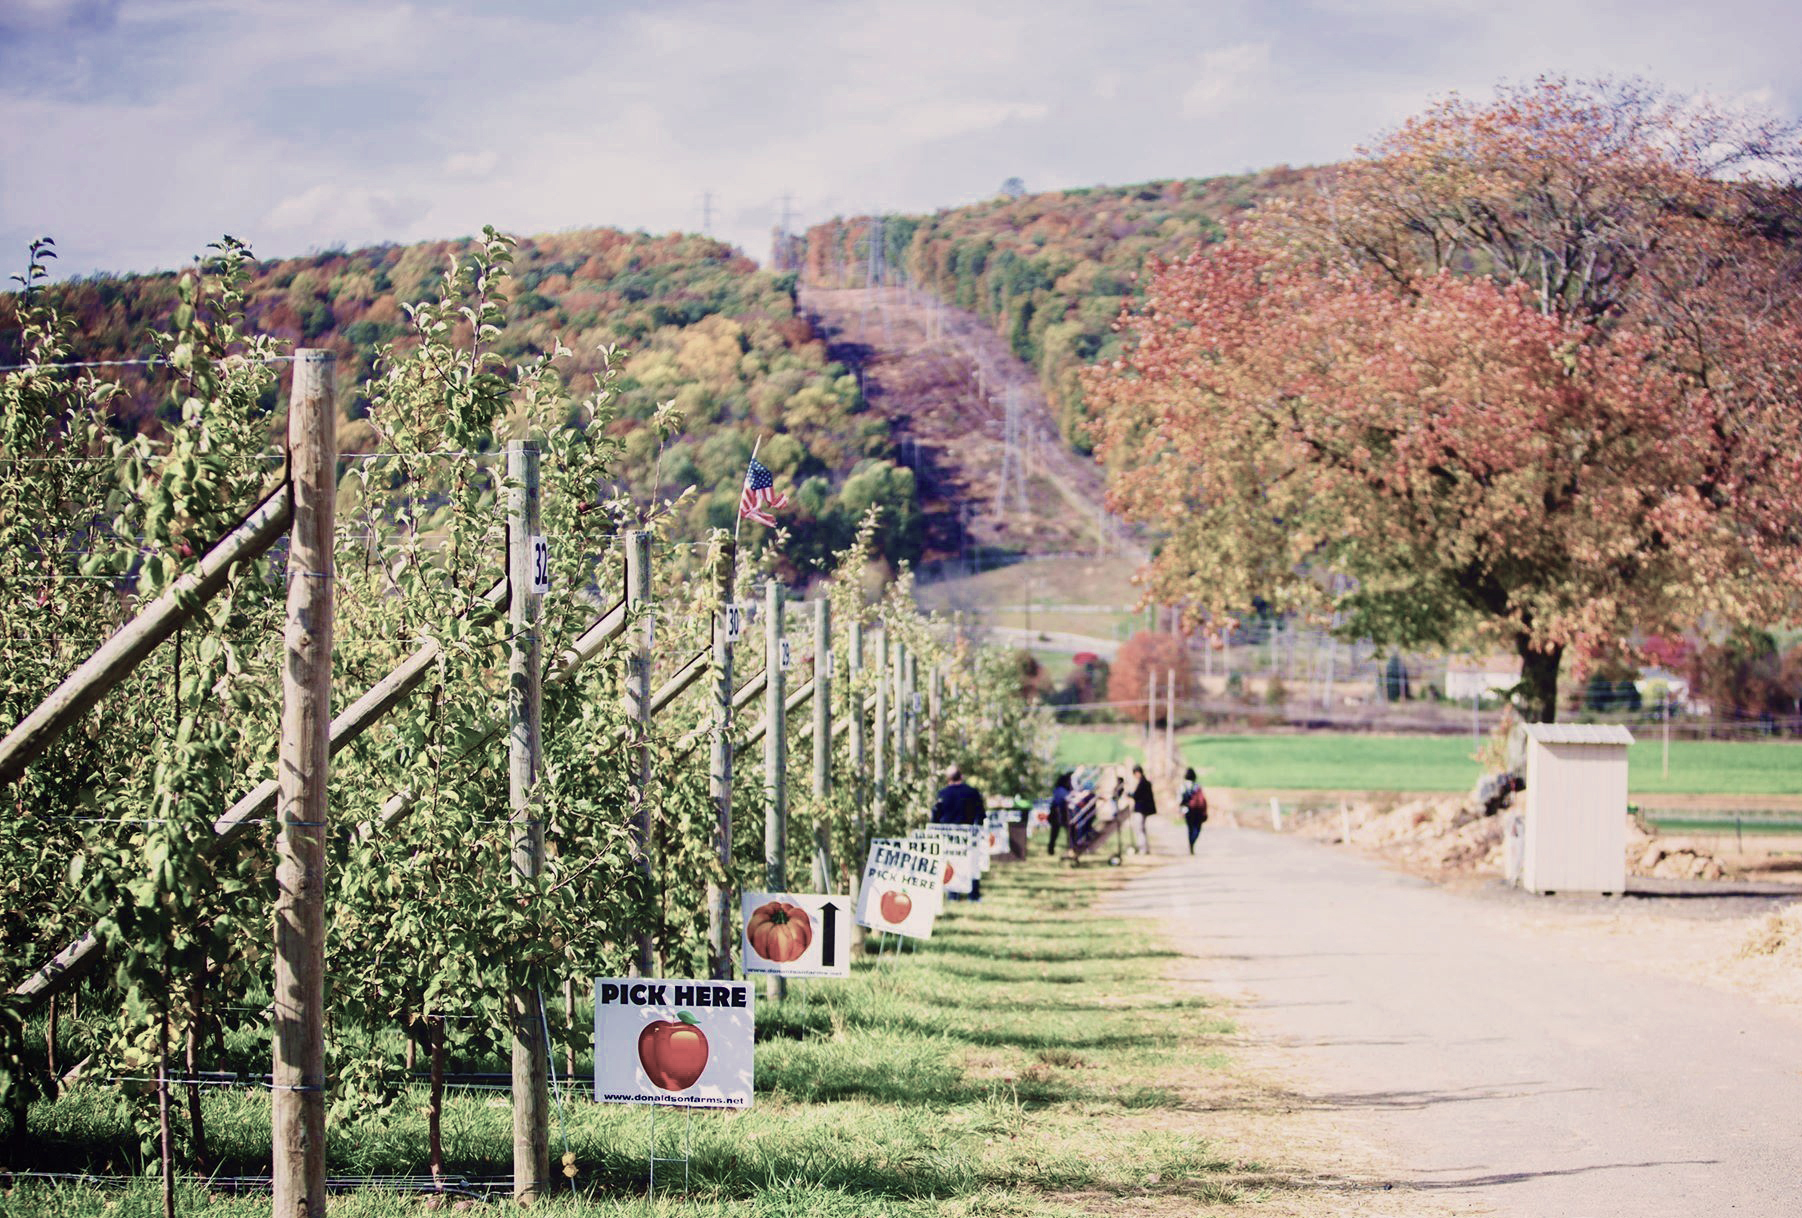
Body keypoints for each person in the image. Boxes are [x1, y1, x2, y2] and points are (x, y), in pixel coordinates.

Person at [932, 764, 987, 899]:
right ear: (961, 776)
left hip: (947, 837)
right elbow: (981, 815)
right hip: (969, 835)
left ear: (947, 778)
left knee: (951, 863)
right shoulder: (973, 792)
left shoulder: (942, 794)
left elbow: (935, 818)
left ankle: (953, 894)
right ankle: (973, 895)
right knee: (972, 863)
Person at [1127, 764, 1157, 854]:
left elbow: (1137, 795)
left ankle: (1143, 849)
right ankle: (1145, 848)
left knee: (1139, 829)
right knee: (1142, 829)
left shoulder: (1143, 783)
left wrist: (1130, 794)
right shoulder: (1145, 782)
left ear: (1137, 773)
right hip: (1144, 809)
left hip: (1141, 809)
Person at [1178, 766, 1208, 854]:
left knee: (1190, 828)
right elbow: (1202, 800)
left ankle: (1191, 844)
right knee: (1197, 828)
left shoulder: (1182, 786)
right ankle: (1192, 842)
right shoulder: (1197, 786)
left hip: (1187, 810)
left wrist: (1180, 810)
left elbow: (1179, 799)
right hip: (1197, 811)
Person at [1047, 771, 1073, 856]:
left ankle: (1069, 847)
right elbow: (1066, 798)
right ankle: (1052, 849)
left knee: (1058, 833)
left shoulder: (1060, 790)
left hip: (1060, 813)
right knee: (1056, 832)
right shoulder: (1061, 790)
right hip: (1058, 813)